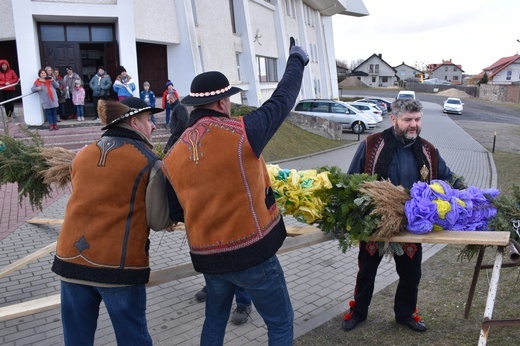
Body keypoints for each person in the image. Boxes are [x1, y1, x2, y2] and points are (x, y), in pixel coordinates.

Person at [162, 37, 308, 345]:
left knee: (214, 320)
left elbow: (176, 212)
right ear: (222, 102)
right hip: (251, 254)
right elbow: (282, 100)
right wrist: (297, 59)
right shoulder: (242, 132)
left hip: (208, 257)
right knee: (281, 322)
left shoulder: (172, 153)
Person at [51, 97, 173, 346]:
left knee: (76, 340)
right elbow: (159, 221)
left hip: (70, 260)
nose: (153, 126)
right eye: (149, 119)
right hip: (118, 266)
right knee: (133, 339)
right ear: (134, 121)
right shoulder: (149, 161)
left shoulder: (82, 156)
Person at [342, 98, 466, 333]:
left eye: (417, 120)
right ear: (393, 119)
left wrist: (464, 189)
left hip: (413, 224)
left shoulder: (429, 150)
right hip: (375, 223)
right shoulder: (371, 145)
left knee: (411, 274)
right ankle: (358, 312)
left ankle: (405, 314)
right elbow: (351, 180)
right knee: (367, 271)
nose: (414, 125)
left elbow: (447, 177)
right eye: (408, 119)